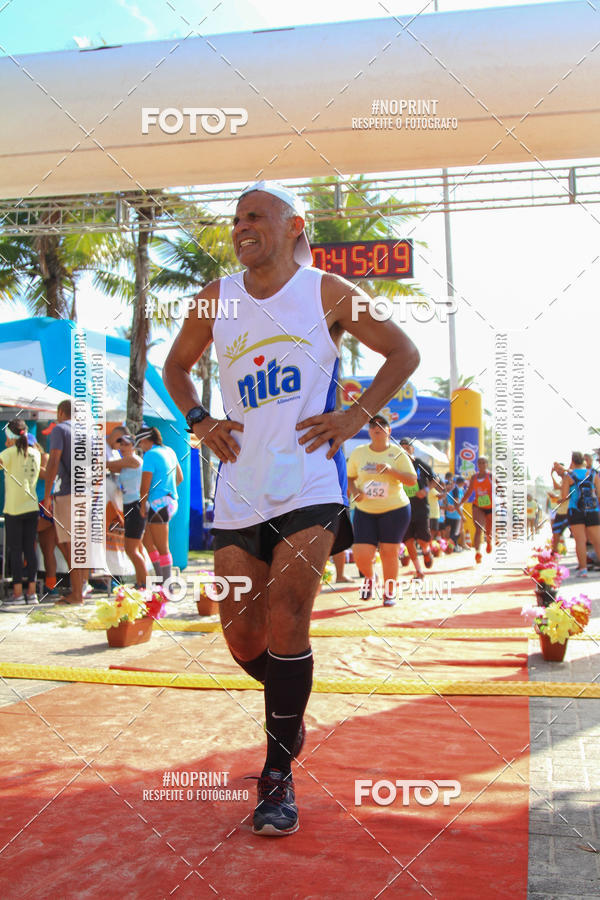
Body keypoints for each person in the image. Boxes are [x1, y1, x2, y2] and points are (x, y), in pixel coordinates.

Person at [163, 179, 419, 836]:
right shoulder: (215, 298)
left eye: (255, 216)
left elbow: (404, 352)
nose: (242, 227)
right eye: (236, 219)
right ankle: (290, 710)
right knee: (243, 636)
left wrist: (355, 416)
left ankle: (277, 772)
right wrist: (199, 420)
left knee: (288, 615)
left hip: (309, 480)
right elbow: (175, 368)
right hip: (239, 486)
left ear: (294, 225)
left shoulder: (326, 291)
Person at [347, 414, 416, 606]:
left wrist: (390, 470)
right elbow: (349, 477)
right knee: (361, 554)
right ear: (369, 431)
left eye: (382, 424)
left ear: (389, 430)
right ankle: (371, 577)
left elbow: (412, 480)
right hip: (365, 510)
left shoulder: (397, 452)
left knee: (388, 552)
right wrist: (355, 491)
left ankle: (389, 592)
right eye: (372, 425)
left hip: (395, 509)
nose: (377, 427)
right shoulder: (359, 452)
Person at [42, 400, 89, 605]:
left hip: (67, 493)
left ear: (61, 412)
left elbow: (53, 461)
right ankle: (80, 590)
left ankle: (77, 594)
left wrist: (47, 495)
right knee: (78, 545)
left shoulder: (60, 429)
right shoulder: (88, 432)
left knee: (70, 546)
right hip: (86, 494)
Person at [0, 419, 41, 605]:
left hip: (14, 509)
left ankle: (17, 593)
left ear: (10, 437)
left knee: (16, 551)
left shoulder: (9, 453)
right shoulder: (35, 453)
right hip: (31, 507)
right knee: (30, 550)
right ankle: (32, 593)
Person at [136, 426, 183, 584]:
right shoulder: (169, 451)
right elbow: (180, 478)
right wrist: (168, 489)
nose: (141, 448)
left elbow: (145, 485)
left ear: (144, 440)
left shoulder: (150, 455)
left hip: (158, 505)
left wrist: (142, 505)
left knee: (162, 548)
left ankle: (167, 586)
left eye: (140, 444)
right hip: (170, 501)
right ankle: (160, 581)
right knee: (148, 542)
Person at [107, 433, 147, 587]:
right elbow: (112, 467)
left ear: (134, 446)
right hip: (130, 506)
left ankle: (144, 584)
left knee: (131, 550)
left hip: (136, 506)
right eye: (121, 444)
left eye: (126, 444)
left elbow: (108, 464)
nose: (122, 447)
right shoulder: (125, 464)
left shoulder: (133, 460)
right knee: (137, 548)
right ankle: (142, 582)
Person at [561, 451, 600, 577]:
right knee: (597, 541)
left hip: (576, 511)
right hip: (592, 510)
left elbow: (564, 496)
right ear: (584, 460)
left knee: (580, 541)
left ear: (572, 461)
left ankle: (583, 569)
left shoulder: (569, 476)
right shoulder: (593, 474)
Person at [400, 438, 434, 579]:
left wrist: (426, 490)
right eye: (402, 448)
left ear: (412, 449)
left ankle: (426, 551)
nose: (405, 451)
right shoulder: (396, 465)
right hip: (403, 508)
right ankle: (419, 571)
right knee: (408, 541)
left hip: (421, 508)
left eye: (407, 448)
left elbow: (435, 479)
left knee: (422, 540)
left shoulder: (419, 464)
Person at [460, 456, 494, 564]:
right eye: (479, 463)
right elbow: (469, 492)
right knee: (478, 529)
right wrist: (460, 502)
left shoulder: (491, 476)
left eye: (484, 463)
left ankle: (488, 541)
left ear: (487, 464)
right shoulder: (474, 477)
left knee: (488, 531)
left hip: (490, 507)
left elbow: (501, 488)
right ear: (477, 465)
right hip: (478, 505)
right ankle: (478, 553)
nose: (481, 465)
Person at [548, 462, 570, 553]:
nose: (557, 471)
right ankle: (555, 551)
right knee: (556, 530)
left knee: (576, 533)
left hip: (569, 510)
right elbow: (557, 487)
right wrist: (551, 475)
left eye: (559, 469)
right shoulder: (563, 480)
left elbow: (572, 492)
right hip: (562, 510)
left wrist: (562, 499)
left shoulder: (569, 477)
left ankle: (555, 550)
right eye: (556, 469)